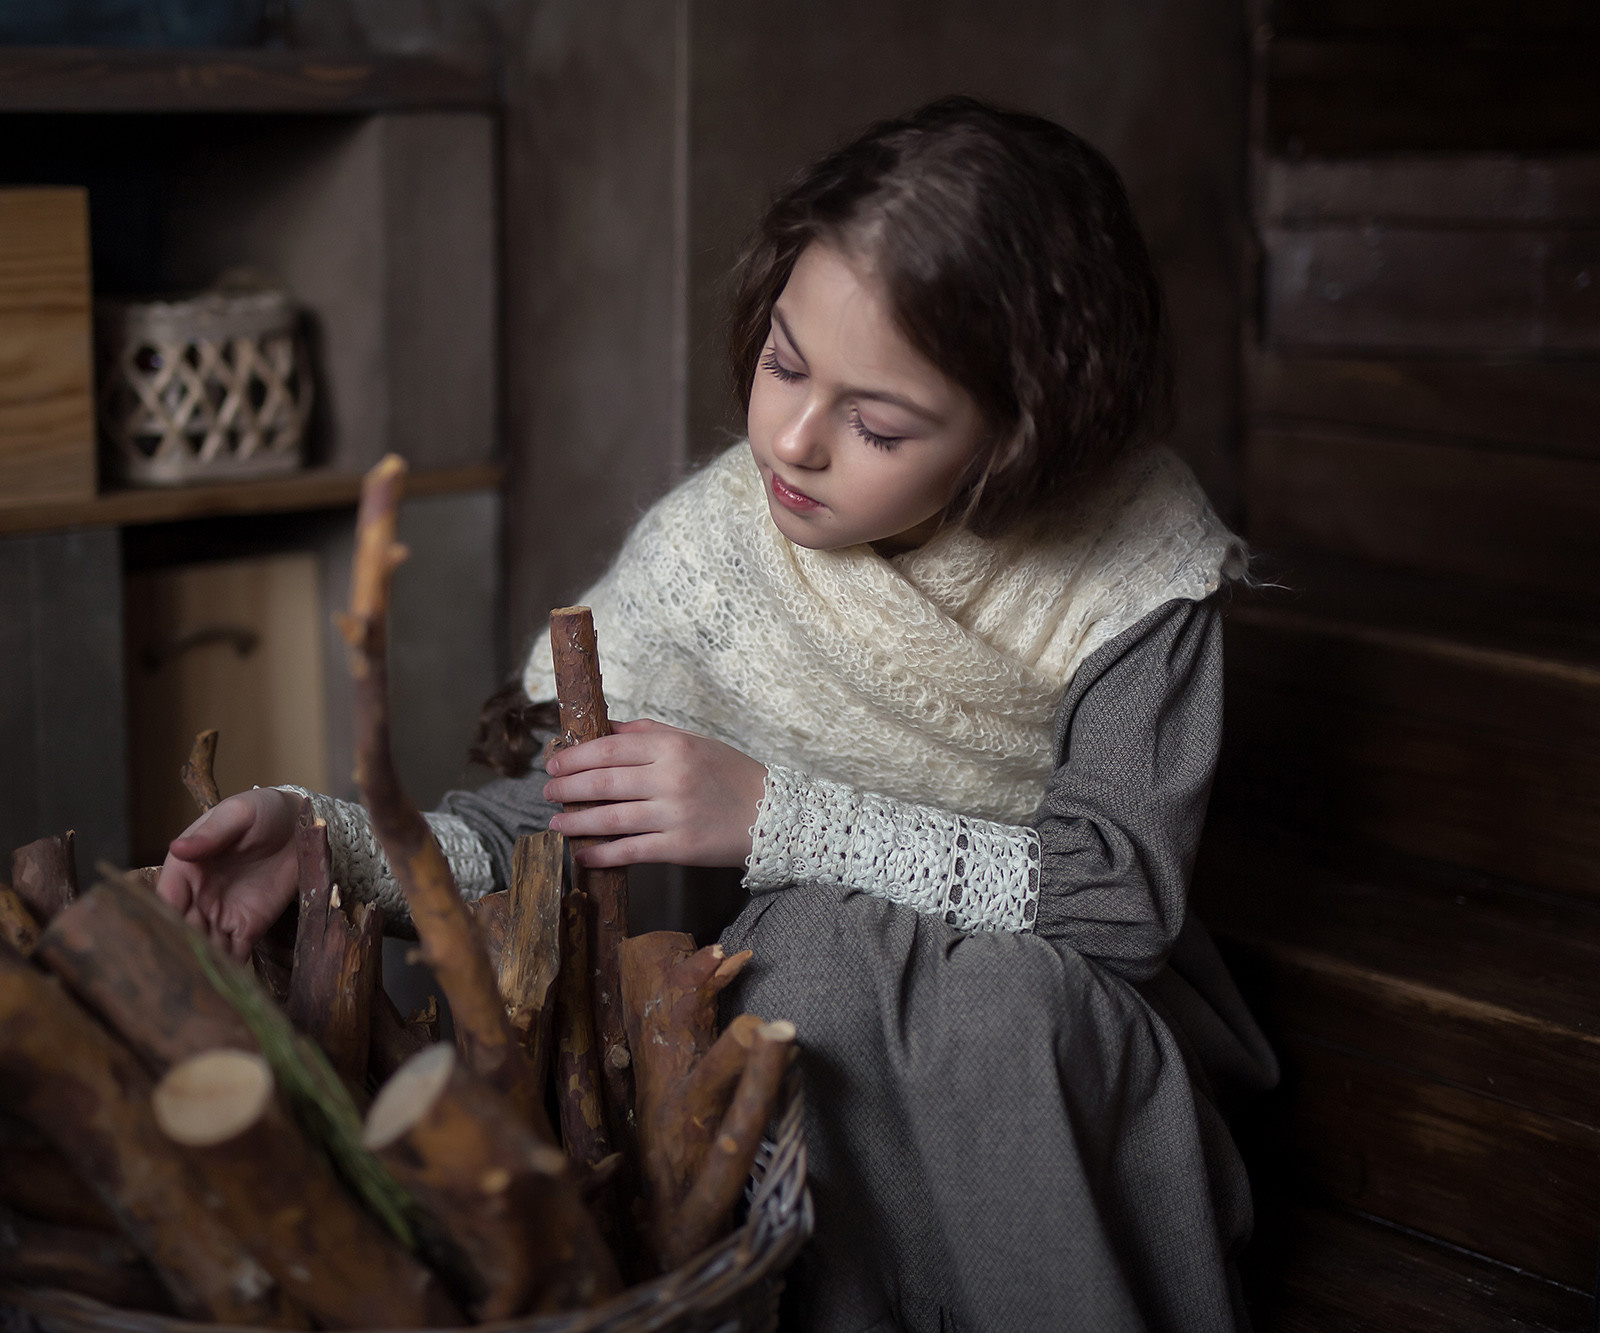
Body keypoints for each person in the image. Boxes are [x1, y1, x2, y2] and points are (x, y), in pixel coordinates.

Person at [157, 96, 1277, 1332]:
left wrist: (773, 817)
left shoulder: (1133, 567)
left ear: (1019, 432)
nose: (789, 441)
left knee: (883, 966)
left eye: (875, 423)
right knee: (806, 959)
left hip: (1057, 1060)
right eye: (783, 364)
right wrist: (330, 846)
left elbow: (1115, 901)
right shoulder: (717, 553)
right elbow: (558, 821)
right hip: (824, 1067)